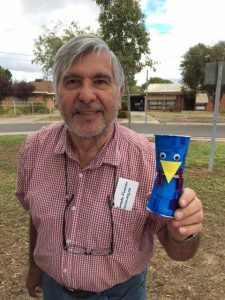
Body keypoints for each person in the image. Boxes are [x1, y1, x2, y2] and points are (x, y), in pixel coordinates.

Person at [16, 34, 204, 300]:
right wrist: (34, 269)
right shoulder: (34, 150)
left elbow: (179, 253)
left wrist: (185, 233)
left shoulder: (149, 162)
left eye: (100, 81)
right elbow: (38, 218)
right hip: (53, 289)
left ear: (119, 93)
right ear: (57, 93)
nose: (86, 95)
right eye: (72, 81)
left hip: (122, 293)